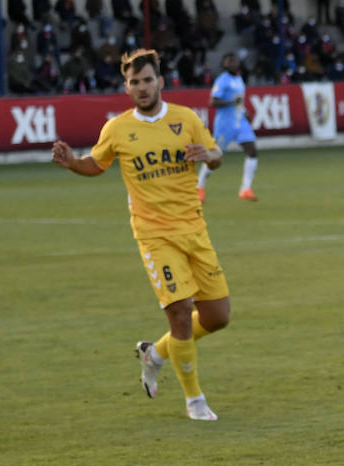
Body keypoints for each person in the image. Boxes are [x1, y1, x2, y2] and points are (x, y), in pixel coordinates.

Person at [49, 49, 229, 422]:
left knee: (216, 317)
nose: (142, 87)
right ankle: (195, 402)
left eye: (147, 80)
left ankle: (156, 354)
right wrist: (71, 163)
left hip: (193, 229)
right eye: (134, 82)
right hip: (153, 235)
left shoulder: (186, 118)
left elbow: (216, 155)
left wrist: (208, 155)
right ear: (126, 86)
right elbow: (95, 165)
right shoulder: (117, 129)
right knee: (180, 313)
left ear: (160, 81)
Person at [198, 52, 260, 202]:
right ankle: (199, 187)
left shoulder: (239, 79)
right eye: (229, 62)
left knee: (252, 151)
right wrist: (232, 103)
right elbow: (213, 102)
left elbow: (239, 101)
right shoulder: (222, 80)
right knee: (215, 157)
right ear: (223, 65)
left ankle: (245, 189)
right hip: (225, 124)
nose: (232, 64)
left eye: (234, 61)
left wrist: (244, 111)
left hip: (240, 122)